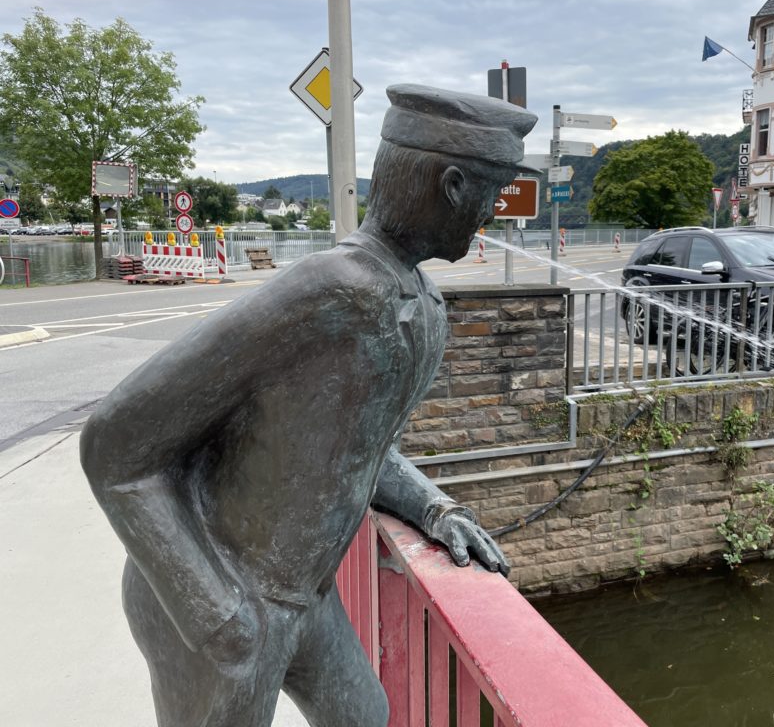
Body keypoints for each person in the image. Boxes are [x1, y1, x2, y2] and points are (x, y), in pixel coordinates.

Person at [80, 83, 539, 727]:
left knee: (364, 716)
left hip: (301, 594)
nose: (493, 213)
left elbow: (357, 451)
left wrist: (434, 507)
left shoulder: (422, 305)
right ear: (454, 186)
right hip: (221, 589)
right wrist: (218, 616)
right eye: (494, 193)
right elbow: (114, 446)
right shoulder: (330, 290)